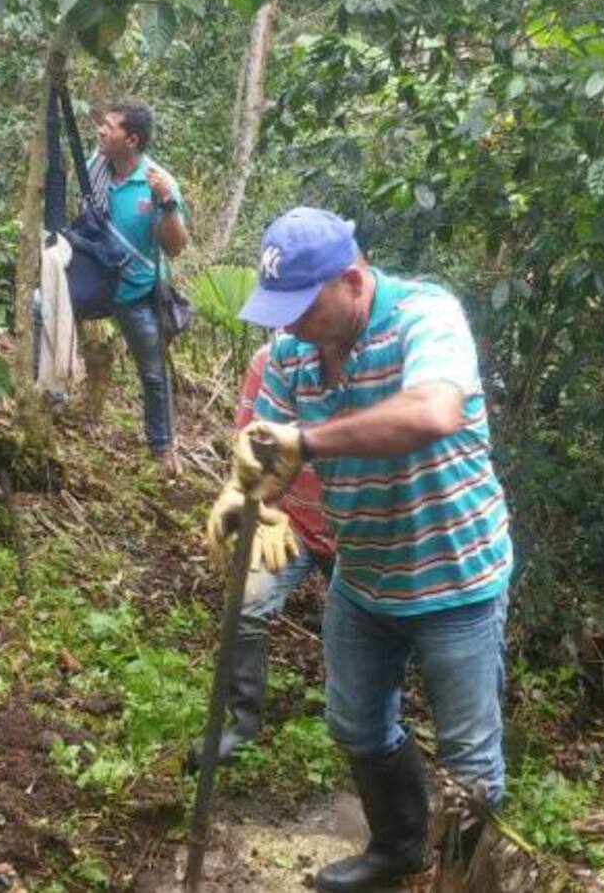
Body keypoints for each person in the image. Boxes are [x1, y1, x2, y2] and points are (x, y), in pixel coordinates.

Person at [208, 207, 513, 892]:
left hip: (456, 578)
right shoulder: (291, 354)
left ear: (351, 280)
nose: (286, 327)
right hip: (365, 575)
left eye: (301, 308)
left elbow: (432, 412)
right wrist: (242, 493)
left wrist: (309, 442)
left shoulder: (425, 318)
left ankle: (461, 880)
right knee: (356, 725)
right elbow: (269, 447)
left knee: (470, 768)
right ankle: (399, 847)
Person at [192, 343, 336, 768]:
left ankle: (357, 722)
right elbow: (249, 453)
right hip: (290, 524)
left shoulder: (372, 361)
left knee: (358, 628)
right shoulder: (267, 363)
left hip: (358, 529)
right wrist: (255, 511)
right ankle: (242, 723)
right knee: (248, 605)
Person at [90, 100, 188, 477]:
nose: (101, 130)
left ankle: (162, 451)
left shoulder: (159, 182)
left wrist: (166, 203)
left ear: (131, 139)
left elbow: (175, 247)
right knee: (41, 310)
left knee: (152, 373)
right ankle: (51, 397)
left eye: (109, 126)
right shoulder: (95, 170)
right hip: (95, 285)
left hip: (135, 294)